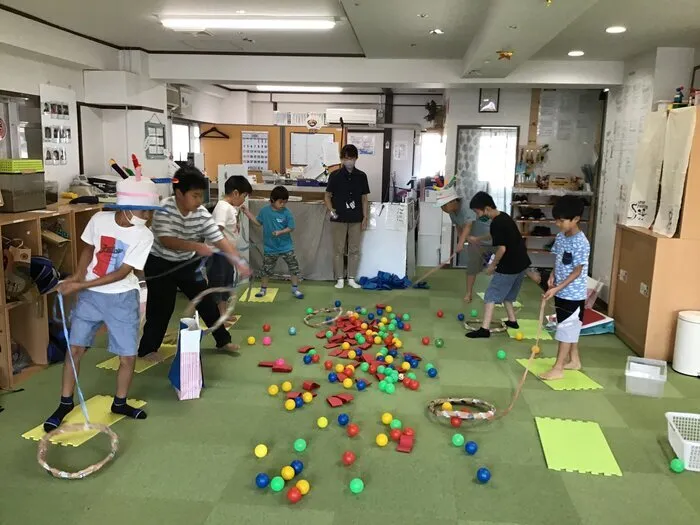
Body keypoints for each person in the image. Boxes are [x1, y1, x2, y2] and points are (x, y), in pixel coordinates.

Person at [43, 177, 161, 432]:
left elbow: (122, 273)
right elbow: (88, 248)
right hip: (90, 298)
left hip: (121, 298)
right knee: (74, 350)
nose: (148, 217)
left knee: (127, 356)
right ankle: (64, 404)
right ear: (126, 206)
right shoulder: (100, 220)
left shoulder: (144, 235)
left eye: (150, 212)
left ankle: (120, 403)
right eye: (144, 211)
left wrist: (79, 285)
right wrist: (77, 275)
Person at [138, 167, 249, 360]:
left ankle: (223, 340)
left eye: (201, 196)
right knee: (161, 308)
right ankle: (148, 349)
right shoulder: (164, 208)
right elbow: (166, 240)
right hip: (159, 263)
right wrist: (196, 246)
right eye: (195, 195)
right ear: (179, 193)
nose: (200, 201)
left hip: (186, 263)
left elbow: (219, 239)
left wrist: (238, 261)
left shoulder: (202, 214)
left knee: (206, 302)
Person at [466, 191, 531, 339]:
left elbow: (502, 248)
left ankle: (484, 329)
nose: (477, 216)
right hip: (521, 263)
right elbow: (495, 235)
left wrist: (493, 265)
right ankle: (512, 321)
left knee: (490, 295)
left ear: (487, 209)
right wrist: (479, 238)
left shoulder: (497, 222)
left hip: (509, 265)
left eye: (477, 212)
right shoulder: (504, 217)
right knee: (508, 295)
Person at [540, 196, 590, 380]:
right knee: (567, 325)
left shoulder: (581, 242)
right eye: (556, 219)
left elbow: (577, 271)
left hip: (573, 294)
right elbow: (559, 259)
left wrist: (558, 287)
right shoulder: (561, 237)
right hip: (560, 290)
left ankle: (558, 368)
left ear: (576, 219)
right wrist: (553, 275)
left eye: (562, 220)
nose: (557, 223)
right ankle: (574, 360)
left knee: (567, 329)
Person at [241, 185, 304, 299]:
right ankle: (263, 290)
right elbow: (258, 222)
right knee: (266, 270)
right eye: (281, 202)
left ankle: (295, 289)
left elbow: (291, 227)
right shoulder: (265, 211)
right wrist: (247, 212)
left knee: (294, 267)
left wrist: (280, 232)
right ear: (273, 200)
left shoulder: (287, 212)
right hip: (270, 248)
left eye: (285, 202)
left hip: (286, 247)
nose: (283, 205)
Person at [435, 180, 493, 303]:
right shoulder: (451, 213)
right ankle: (468, 293)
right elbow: (458, 226)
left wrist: (460, 243)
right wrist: (464, 239)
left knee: (503, 264)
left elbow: (468, 225)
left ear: (453, 201)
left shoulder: (467, 206)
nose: (442, 209)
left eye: (444, 205)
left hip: (490, 237)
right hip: (475, 241)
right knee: (472, 266)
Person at [325, 144, 370, 289]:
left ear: (356, 158)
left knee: (354, 249)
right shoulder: (334, 175)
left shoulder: (362, 176)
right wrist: (331, 210)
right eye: (345, 158)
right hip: (339, 217)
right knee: (338, 249)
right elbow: (327, 196)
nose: (348, 161)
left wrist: (365, 217)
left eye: (351, 158)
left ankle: (351, 278)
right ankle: (339, 278)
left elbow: (364, 198)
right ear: (341, 159)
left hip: (356, 217)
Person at [208, 175, 253, 318]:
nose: (244, 199)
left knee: (227, 281)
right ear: (235, 193)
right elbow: (217, 232)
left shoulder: (230, 208)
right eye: (244, 195)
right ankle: (218, 315)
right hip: (217, 254)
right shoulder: (223, 207)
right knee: (219, 283)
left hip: (225, 254)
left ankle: (224, 313)